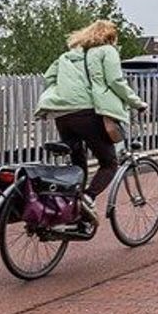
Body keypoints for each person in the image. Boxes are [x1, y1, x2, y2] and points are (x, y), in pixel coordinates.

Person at [37, 20, 148, 222]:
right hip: (88, 113)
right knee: (109, 163)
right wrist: (137, 103)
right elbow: (115, 81)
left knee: (77, 163)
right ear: (110, 37)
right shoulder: (107, 51)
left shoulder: (67, 56)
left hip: (63, 114)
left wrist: (62, 96)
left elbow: (48, 78)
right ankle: (87, 199)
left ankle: (72, 207)